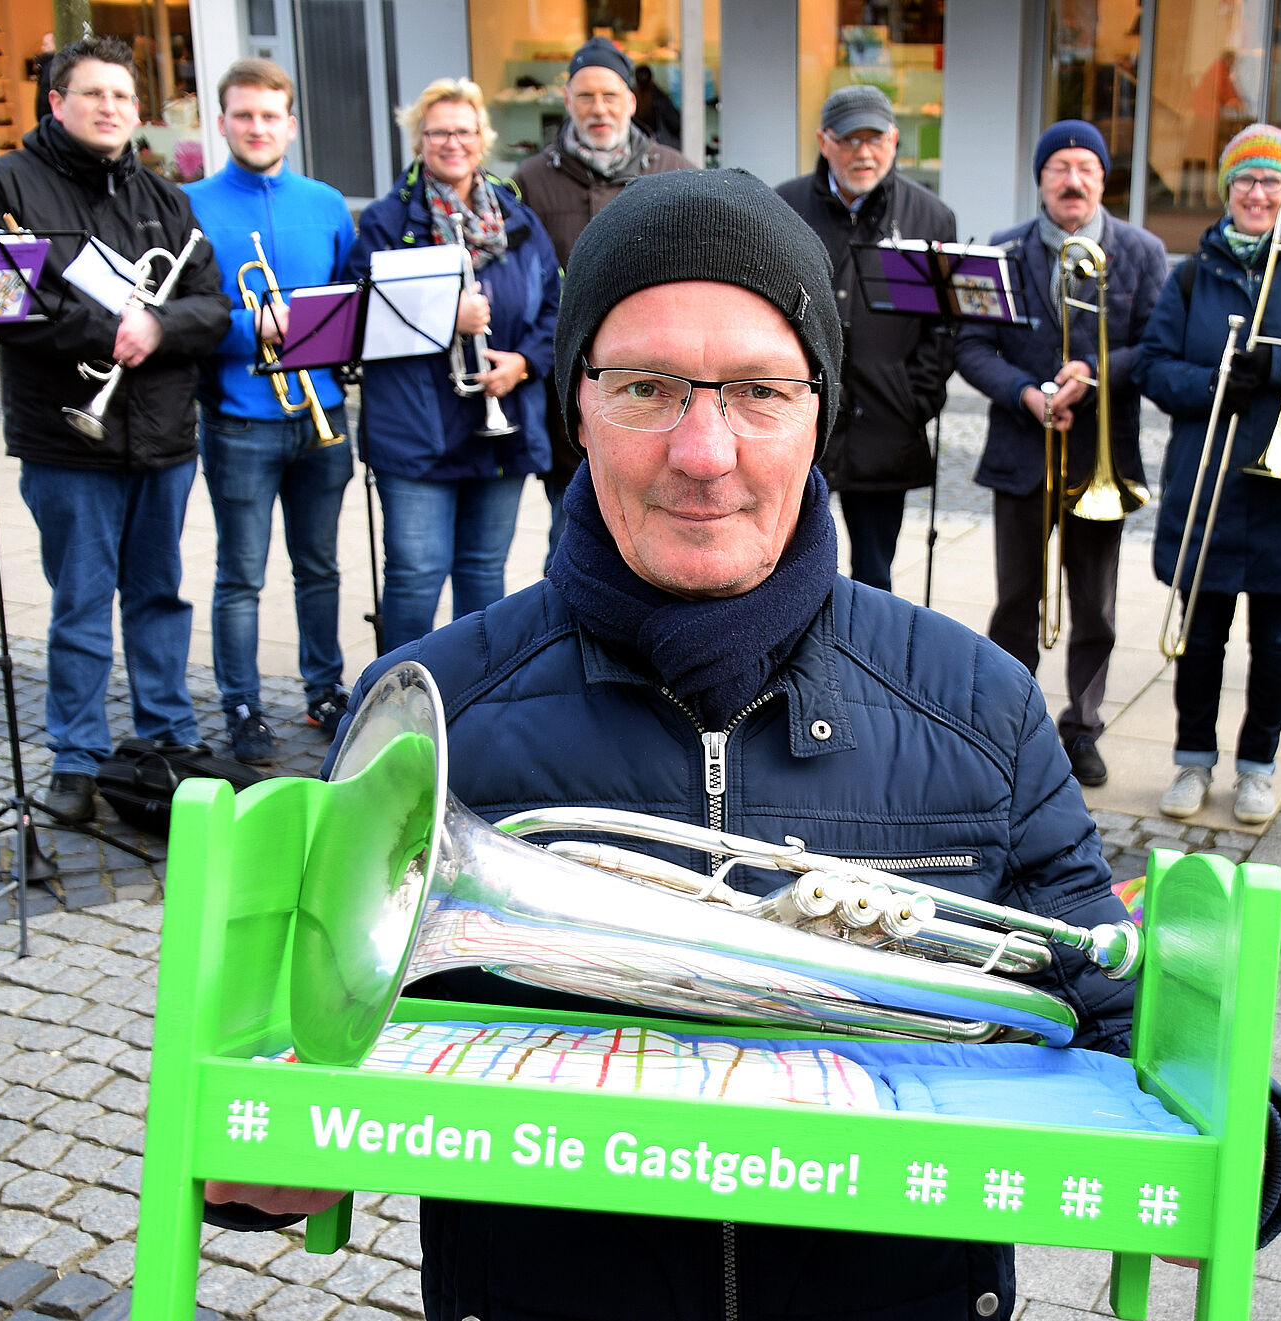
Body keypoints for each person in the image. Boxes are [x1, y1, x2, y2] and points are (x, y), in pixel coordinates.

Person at [203, 167, 1138, 1321]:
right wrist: (256, 1163)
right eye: (646, 387)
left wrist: (1244, 1138)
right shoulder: (430, 713)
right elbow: (311, 1063)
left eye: (757, 391)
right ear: (576, 406)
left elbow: (1106, 1005)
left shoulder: (984, 703)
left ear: (819, 414)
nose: (705, 452)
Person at [0, 35, 228, 826]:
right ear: (56, 103)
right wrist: (105, 325)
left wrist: (160, 325)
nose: (111, 108)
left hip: (161, 433)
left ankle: (166, 739)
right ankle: (75, 756)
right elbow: (0, 300)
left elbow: (212, 306)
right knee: (80, 600)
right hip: (65, 437)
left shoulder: (165, 196)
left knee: (159, 597)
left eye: (122, 97)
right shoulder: (5, 183)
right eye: (93, 94)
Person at [1135, 126, 1281, 822]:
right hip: (1209, 483)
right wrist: (1213, 385)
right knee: (1201, 636)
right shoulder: (1192, 273)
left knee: (1277, 639)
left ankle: (1259, 767)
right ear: (1227, 189)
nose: (1258, 194)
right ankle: (1193, 761)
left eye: (1271, 182)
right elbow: (1152, 365)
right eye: (1245, 181)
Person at [956, 120, 1168, 789]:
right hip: (1024, 449)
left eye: (1086, 167)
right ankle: (1006, 723)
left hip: (1100, 457)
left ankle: (1083, 724)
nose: (1073, 180)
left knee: (1095, 605)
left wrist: (1096, 372)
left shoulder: (1142, 250)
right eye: (1060, 167)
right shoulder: (1001, 250)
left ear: (1104, 179)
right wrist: (1025, 393)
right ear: (1041, 177)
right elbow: (970, 345)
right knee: (1015, 597)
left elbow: (1157, 345)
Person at [344, 77, 562, 653]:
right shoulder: (387, 223)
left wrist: (522, 362)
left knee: (484, 576)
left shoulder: (517, 219)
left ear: (481, 139)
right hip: (416, 428)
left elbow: (553, 309)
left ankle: (473, 701)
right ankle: (397, 696)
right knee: (416, 574)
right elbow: (358, 318)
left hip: (500, 424)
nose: (451, 142)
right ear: (419, 140)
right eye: (438, 131)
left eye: (463, 131)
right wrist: (447, 315)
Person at [184, 59, 355, 765]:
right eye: (243, 115)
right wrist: (245, 329)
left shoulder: (326, 203)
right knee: (241, 574)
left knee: (320, 567)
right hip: (238, 415)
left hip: (324, 414)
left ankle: (325, 687)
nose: (257, 127)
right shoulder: (189, 202)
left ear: (290, 123)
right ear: (223, 122)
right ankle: (243, 703)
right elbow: (181, 311)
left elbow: (348, 297)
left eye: (270, 115)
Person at [514, 37, 697, 563]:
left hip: (658, 387)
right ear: (567, 100)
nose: (600, 109)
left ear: (632, 101)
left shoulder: (675, 173)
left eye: (611, 95)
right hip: (565, 392)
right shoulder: (530, 181)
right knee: (569, 536)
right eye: (587, 96)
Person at [778, 85, 958, 593]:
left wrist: (915, 397)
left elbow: (944, 328)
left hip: (886, 421)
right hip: (802, 421)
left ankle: (862, 671)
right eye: (850, 139)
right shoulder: (783, 206)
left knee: (876, 577)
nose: (864, 152)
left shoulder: (931, 217)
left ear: (895, 141)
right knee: (788, 566)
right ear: (824, 141)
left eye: (875, 139)